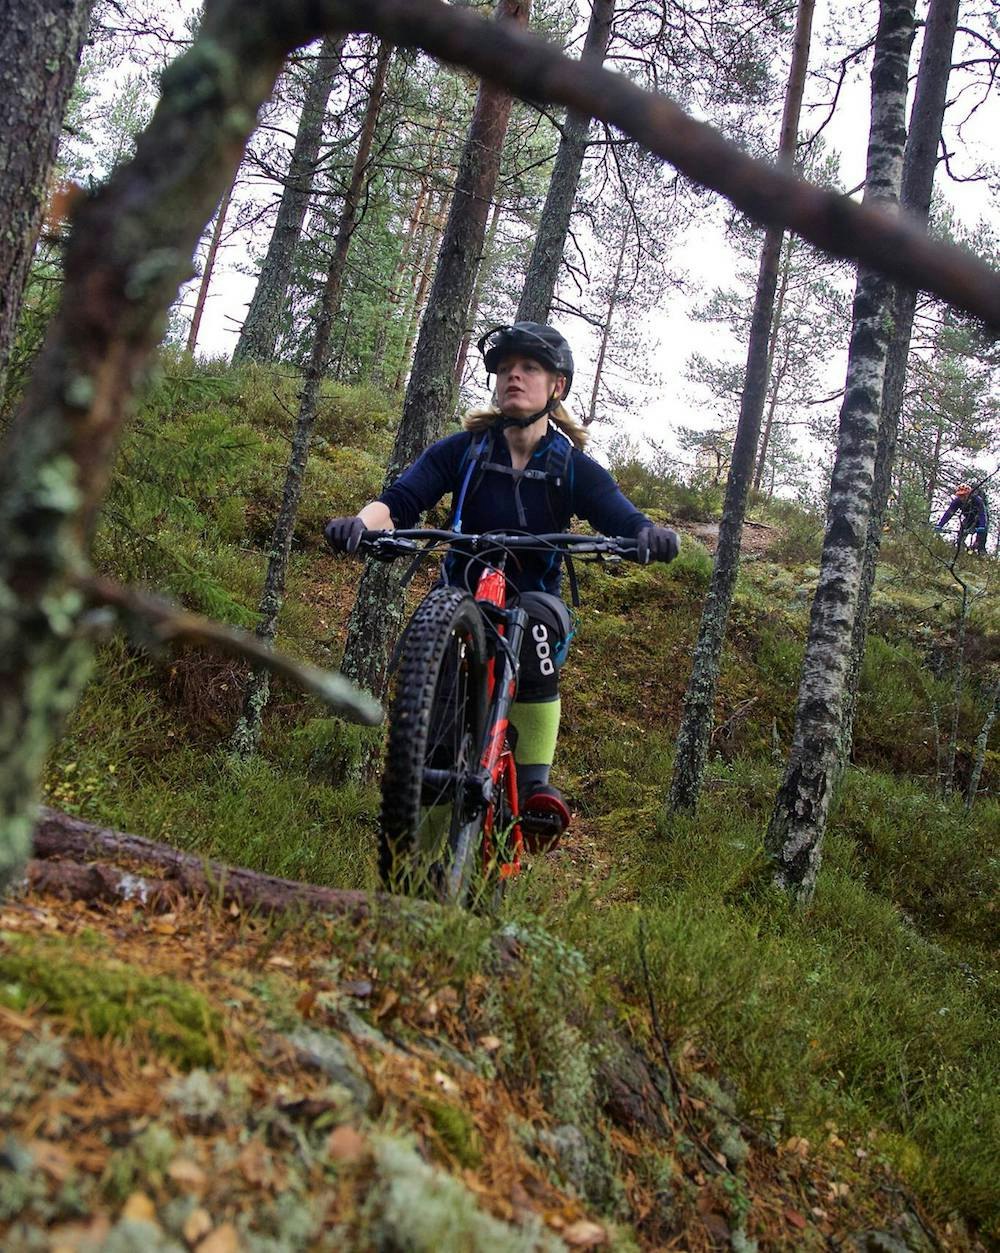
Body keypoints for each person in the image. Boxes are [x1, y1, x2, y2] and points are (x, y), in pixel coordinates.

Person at [325, 321, 678, 849]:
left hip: (536, 605)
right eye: (506, 367)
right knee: (436, 753)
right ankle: (427, 870)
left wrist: (648, 534)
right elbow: (400, 501)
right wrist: (360, 524)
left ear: (557, 386)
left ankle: (534, 786)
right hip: (460, 605)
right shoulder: (463, 451)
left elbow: (622, 516)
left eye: (529, 367)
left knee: (531, 617)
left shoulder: (570, 466)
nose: (514, 375)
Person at [936, 483, 988, 554]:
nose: (962, 497)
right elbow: (949, 513)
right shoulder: (957, 501)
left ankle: (981, 553)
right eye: (960, 495)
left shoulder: (977, 500)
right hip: (968, 518)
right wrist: (940, 525)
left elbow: (982, 514)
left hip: (980, 518)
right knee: (960, 536)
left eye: (963, 495)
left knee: (981, 538)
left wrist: (982, 526)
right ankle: (961, 551)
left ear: (968, 494)